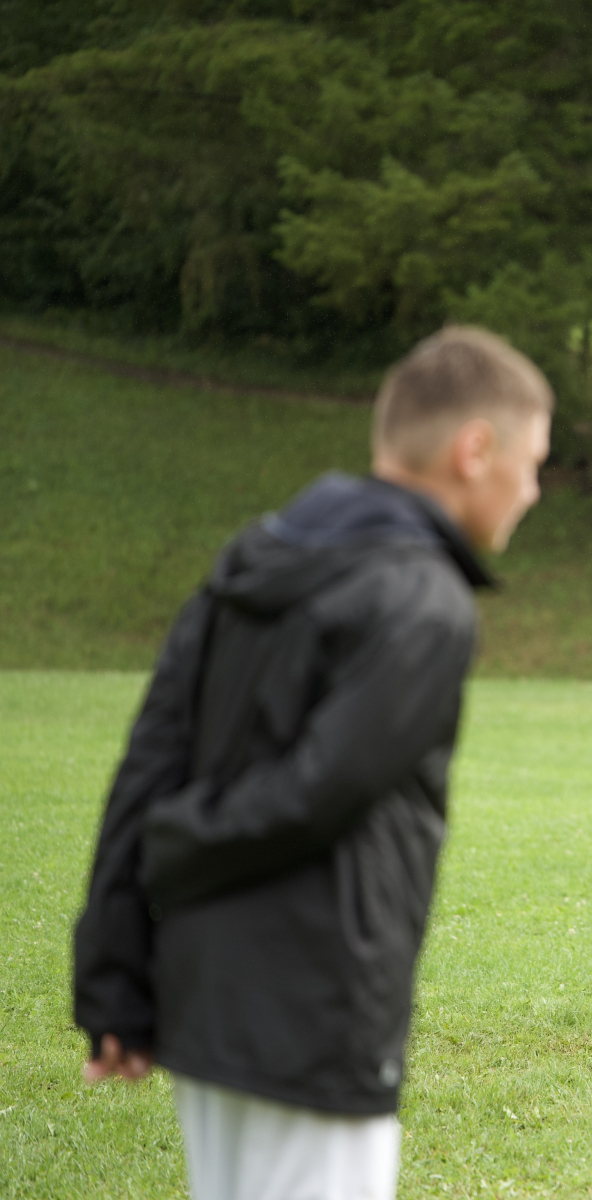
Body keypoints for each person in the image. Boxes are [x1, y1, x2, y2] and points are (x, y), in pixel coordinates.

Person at [72, 325, 553, 1200]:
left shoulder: (251, 556)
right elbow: (316, 793)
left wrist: (114, 975)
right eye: (532, 463)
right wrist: (171, 849)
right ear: (474, 450)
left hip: (204, 992)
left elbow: (147, 764)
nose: (533, 490)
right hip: (317, 1013)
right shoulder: (426, 601)